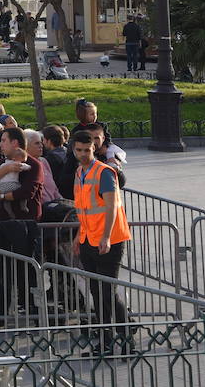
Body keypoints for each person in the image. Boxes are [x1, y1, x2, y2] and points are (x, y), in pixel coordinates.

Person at [72, 128, 133, 348]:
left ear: (94, 149)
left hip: (110, 240)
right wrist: (80, 235)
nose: (83, 154)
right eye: (79, 150)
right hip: (89, 239)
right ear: (73, 150)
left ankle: (126, 338)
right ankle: (106, 339)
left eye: (87, 150)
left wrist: (106, 237)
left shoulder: (104, 172)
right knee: (97, 292)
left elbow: (111, 208)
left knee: (107, 291)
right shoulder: (80, 172)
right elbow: (84, 209)